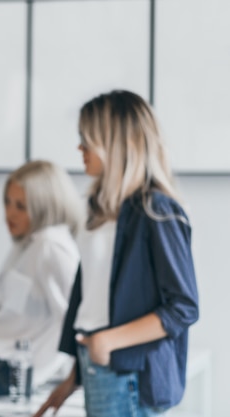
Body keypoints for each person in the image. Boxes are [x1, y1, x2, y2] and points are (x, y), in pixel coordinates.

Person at [33, 90, 199, 417]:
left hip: (128, 373)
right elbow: (95, 303)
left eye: (87, 139)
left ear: (116, 144)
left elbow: (183, 307)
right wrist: (73, 379)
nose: (79, 148)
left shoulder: (158, 212)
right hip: (97, 365)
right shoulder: (102, 214)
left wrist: (107, 342)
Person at [0, 160, 82, 396]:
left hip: (0, 367)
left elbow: (72, 322)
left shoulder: (50, 248)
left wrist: (45, 375)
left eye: (21, 207)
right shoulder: (29, 244)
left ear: (44, 207)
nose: (9, 214)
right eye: (7, 202)